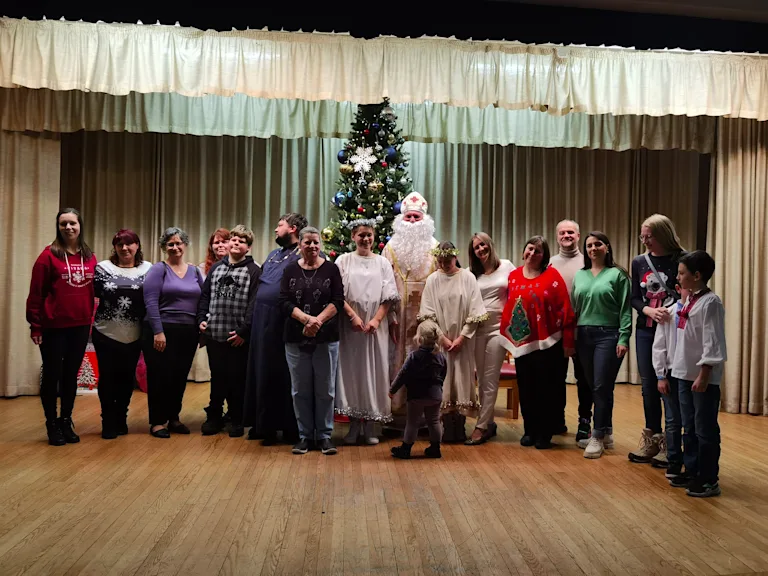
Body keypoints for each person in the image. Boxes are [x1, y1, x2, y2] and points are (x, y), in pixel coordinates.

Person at [26, 208, 97, 446]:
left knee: (70, 376)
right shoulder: (47, 256)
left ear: (80, 225)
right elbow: (36, 293)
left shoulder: (89, 256)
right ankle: (51, 423)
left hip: (80, 325)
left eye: (72, 223)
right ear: (58, 227)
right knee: (52, 375)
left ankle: (66, 420)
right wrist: (35, 326)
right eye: (63, 224)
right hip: (53, 326)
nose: (68, 228)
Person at [500, 236, 575, 450]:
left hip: (549, 344)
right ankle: (529, 430)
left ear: (544, 256)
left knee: (547, 389)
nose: (532, 254)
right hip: (523, 343)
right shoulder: (514, 276)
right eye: (530, 249)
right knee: (526, 388)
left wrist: (568, 341)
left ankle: (545, 433)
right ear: (524, 250)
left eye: (538, 251)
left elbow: (565, 309)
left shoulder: (552, 276)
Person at [242, 213, 307, 445]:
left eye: (280, 225)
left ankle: (288, 427)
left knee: (283, 374)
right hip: (262, 319)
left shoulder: (303, 254)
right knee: (261, 371)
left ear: (293, 228)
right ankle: (264, 425)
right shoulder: (273, 255)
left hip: (283, 320)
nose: (276, 229)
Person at [279, 226, 344, 455]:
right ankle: (305, 436)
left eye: (316, 242)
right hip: (295, 338)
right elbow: (284, 301)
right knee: (300, 390)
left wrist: (318, 321)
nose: (312, 246)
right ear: (300, 245)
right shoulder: (289, 270)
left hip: (326, 338)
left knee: (325, 390)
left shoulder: (331, 269)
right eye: (307, 242)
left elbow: (338, 300)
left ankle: (325, 436)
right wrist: (306, 320)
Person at [335, 220, 400, 445]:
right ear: (353, 236)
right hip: (350, 326)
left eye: (369, 235)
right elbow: (337, 293)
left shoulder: (382, 262)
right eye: (361, 235)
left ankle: (371, 425)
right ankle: (354, 424)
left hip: (375, 327)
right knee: (353, 372)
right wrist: (353, 316)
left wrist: (376, 320)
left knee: (375, 371)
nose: (365, 239)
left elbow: (389, 295)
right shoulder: (343, 260)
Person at [669, 251, 726, 498]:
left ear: (697, 275)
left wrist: (704, 374)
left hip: (702, 378)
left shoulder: (711, 303)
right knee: (689, 426)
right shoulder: (690, 299)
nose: (678, 277)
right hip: (684, 372)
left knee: (705, 428)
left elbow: (713, 340)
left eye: (682, 273)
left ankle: (709, 478)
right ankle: (692, 470)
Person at [629, 214, 685, 465]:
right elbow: (634, 297)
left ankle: (672, 443)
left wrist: (670, 311)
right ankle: (652, 438)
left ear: (663, 234)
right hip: (646, 329)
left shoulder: (682, 259)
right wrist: (648, 311)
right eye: (642, 237)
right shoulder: (639, 261)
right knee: (649, 385)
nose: (645, 241)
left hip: (674, 331)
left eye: (649, 236)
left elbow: (689, 294)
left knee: (670, 383)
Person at [418, 241, 488, 443]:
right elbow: (427, 312)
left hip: (463, 342)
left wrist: (462, 337)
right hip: (441, 343)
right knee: (444, 381)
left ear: (455, 257)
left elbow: (476, 310)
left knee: (462, 380)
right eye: (440, 261)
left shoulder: (467, 277)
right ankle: (447, 426)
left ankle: (460, 425)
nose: (443, 264)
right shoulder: (433, 280)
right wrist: (442, 338)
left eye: (447, 261)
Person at [571, 232, 632, 459]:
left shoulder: (618, 275)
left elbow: (626, 309)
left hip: (608, 335)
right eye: (589, 245)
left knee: (600, 385)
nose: (593, 248)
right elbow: (575, 308)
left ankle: (596, 435)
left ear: (607, 247)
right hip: (583, 335)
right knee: (596, 386)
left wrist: (624, 338)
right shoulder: (580, 275)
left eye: (598, 244)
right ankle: (607, 432)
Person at [198, 225, 261, 438]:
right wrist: (201, 319)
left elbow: (254, 304)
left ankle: (236, 417)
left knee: (236, 379)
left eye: (241, 241)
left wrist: (244, 331)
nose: (236, 243)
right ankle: (214, 416)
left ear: (248, 247)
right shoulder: (216, 268)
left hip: (237, 338)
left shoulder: (254, 271)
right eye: (233, 239)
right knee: (218, 377)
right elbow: (205, 296)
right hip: (215, 334)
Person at [142, 227, 204, 439]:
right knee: (160, 376)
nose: (175, 247)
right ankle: (157, 421)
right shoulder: (158, 269)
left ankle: (174, 418)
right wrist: (158, 331)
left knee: (179, 376)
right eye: (170, 244)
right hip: (162, 330)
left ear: (185, 245)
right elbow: (150, 301)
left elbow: (203, 301)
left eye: (178, 243)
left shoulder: (194, 271)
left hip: (188, 332)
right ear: (164, 247)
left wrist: (202, 327)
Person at [383, 192, 438, 425]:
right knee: (397, 359)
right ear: (401, 220)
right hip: (398, 314)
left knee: (424, 361)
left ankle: (425, 416)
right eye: (408, 217)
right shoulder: (390, 247)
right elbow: (384, 282)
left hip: (426, 315)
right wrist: (391, 315)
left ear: (425, 219)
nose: (413, 221)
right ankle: (396, 413)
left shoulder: (436, 248)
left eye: (417, 217)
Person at [92, 229, 152, 439]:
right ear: (114, 247)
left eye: (129, 243)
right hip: (105, 333)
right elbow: (92, 294)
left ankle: (121, 418)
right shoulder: (103, 268)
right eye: (120, 244)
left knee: (127, 379)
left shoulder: (148, 269)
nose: (124, 248)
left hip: (134, 335)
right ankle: (108, 421)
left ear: (137, 246)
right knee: (108, 378)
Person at [465, 232, 515, 445]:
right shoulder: (470, 274)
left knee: (490, 377)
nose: (481, 249)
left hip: (498, 329)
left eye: (483, 245)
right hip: (477, 330)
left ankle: (481, 426)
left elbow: (517, 292)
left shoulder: (506, 266)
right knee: (482, 380)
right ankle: (490, 423)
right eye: (476, 247)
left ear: (490, 245)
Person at [550, 219, 589, 441]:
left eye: (571, 233)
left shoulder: (587, 262)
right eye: (563, 233)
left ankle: (585, 421)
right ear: (557, 237)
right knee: (556, 378)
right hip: (556, 331)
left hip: (583, 328)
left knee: (584, 379)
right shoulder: (549, 263)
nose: (567, 236)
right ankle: (557, 420)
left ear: (578, 236)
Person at [388, 320, 447, 459]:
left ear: (419, 338)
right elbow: (443, 374)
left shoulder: (414, 357)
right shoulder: (440, 357)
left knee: (412, 422)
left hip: (416, 396)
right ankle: (435, 448)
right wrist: (438, 387)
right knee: (434, 421)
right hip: (435, 395)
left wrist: (392, 390)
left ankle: (406, 449)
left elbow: (402, 374)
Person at [652, 285, 688, 481]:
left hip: (690, 374)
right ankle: (673, 460)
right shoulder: (669, 313)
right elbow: (659, 346)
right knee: (673, 420)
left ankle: (691, 463)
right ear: (678, 289)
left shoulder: (700, 310)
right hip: (672, 373)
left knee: (690, 421)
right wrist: (661, 375)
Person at [188, 228, 231, 384]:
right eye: (216, 242)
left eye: (224, 241)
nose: (220, 245)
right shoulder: (200, 268)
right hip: (207, 320)